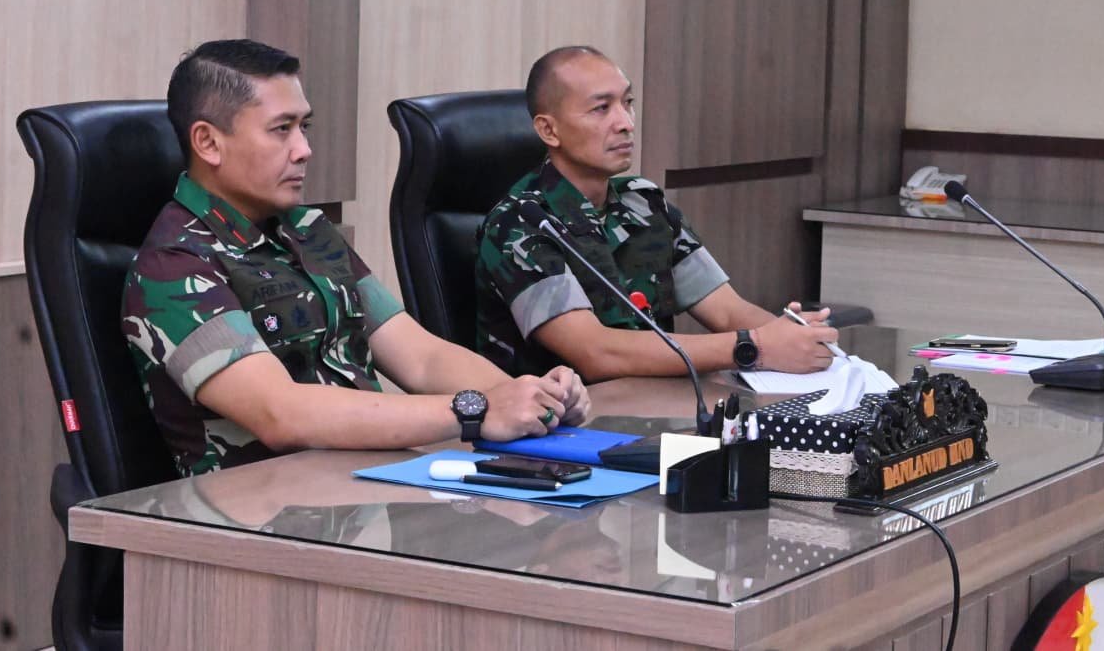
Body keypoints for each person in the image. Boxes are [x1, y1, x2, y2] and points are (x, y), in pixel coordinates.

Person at [122, 39, 589, 476]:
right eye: (281, 129)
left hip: (365, 485)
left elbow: (421, 358)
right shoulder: (174, 265)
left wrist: (530, 400)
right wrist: (477, 411)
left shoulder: (307, 230)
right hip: (264, 509)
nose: (304, 150)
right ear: (208, 142)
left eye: (303, 127)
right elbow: (280, 414)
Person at [475, 45, 840, 382]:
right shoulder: (519, 223)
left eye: (628, 103)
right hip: (564, 418)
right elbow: (597, 353)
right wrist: (754, 346)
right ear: (548, 130)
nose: (625, 122)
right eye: (601, 109)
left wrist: (795, 338)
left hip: (656, 404)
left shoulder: (643, 202)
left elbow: (727, 311)